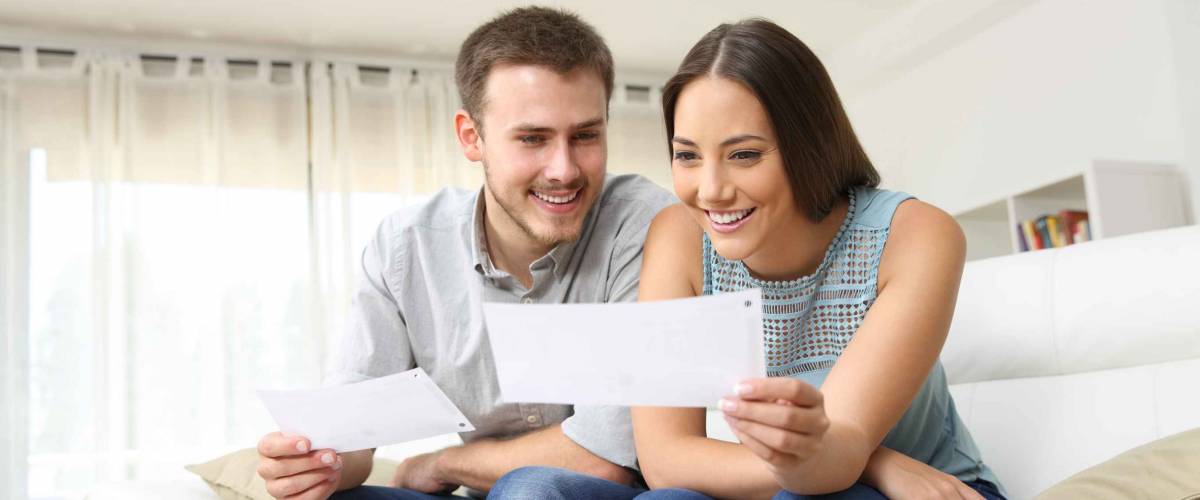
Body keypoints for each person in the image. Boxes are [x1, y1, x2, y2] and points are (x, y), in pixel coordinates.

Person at [253, 7, 674, 499]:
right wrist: (315, 462)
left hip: (611, 492)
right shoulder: (405, 247)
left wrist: (444, 463)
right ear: (472, 138)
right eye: (533, 138)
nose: (563, 169)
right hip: (494, 492)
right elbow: (350, 433)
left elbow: (606, 458)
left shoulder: (647, 226)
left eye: (585, 136)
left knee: (530, 489)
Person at [628, 19, 1006, 500]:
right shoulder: (677, 238)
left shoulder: (915, 235)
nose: (711, 190)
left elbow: (838, 451)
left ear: (810, 146)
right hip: (821, 481)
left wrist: (851, 461)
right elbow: (666, 461)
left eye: (744, 154)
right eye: (687, 156)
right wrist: (875, 463)